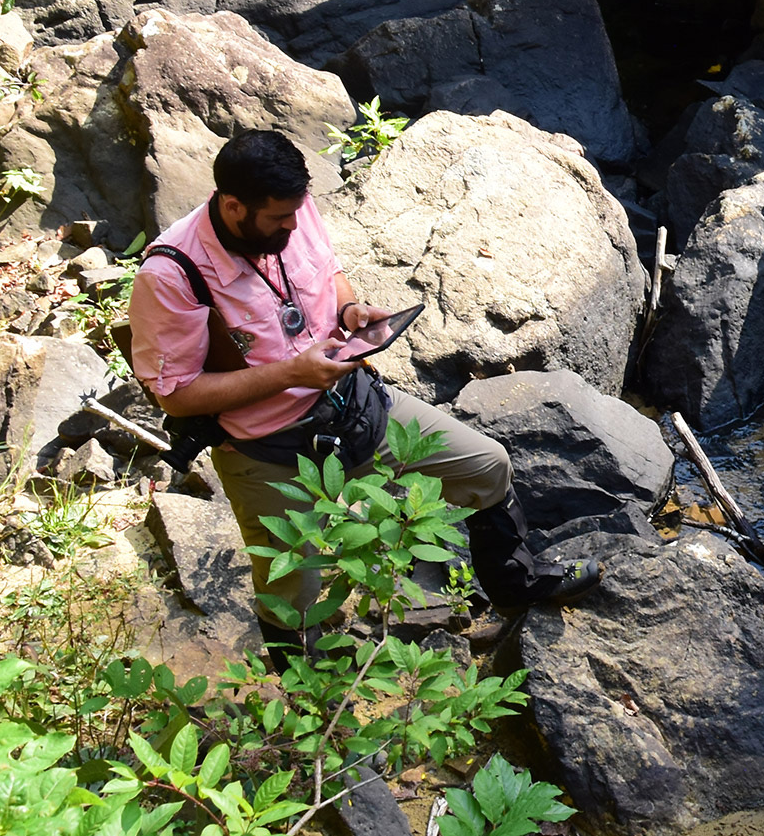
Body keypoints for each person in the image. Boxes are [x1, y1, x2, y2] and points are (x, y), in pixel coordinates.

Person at [128, 130, 596, 619]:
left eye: (296, 212)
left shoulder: (293, 209)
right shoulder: (171, 274)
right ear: (232, 206)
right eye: (279, 218)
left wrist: (349, 308)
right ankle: (301, 691)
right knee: (294, 591)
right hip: (267, 449)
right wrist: (292, 373)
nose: (294, 224)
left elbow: (328, 271)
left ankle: (515, 585)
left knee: (488, 464)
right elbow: (176, 395)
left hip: (353, 406)